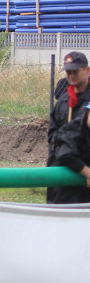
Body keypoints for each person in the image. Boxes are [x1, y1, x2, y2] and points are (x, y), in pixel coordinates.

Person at [47, 51, 90, 203]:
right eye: (68, 72)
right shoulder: (64, 101)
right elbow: (52, 135)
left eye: (75, 71)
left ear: (87, 70)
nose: (71, 76)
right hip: (64, 171)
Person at [50, 102, 90, 204]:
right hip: (65, 191)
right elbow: (66, 154)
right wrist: (88, 173)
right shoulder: (73, 129)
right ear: (87, 113)